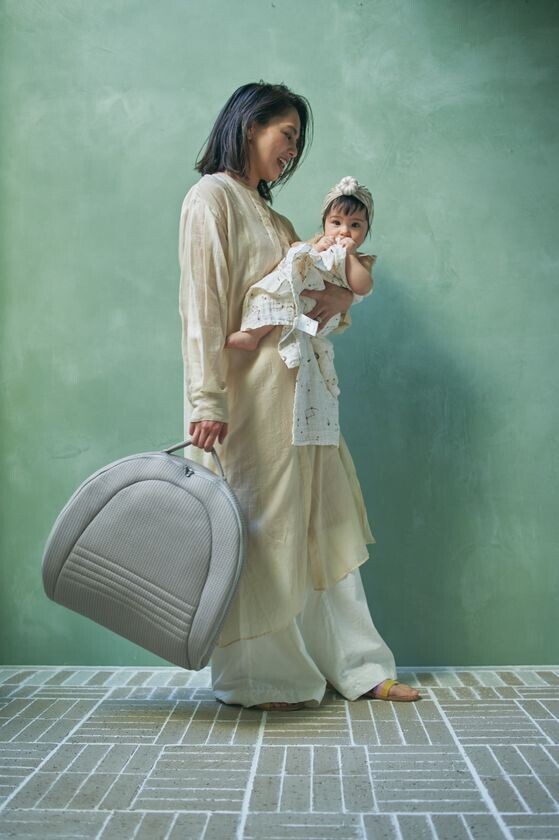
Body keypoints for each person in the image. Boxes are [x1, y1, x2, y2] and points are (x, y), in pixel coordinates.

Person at [178, 81, 421, 709]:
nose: (293, 151)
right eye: (287, 135)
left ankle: (357, 667)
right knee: (260, 533)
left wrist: (342, 298)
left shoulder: (279, 220)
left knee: (321, 523)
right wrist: (206, 401)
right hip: (249, 406)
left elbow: (315, 298)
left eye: (297, 141)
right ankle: (263, 678)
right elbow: (203, 308)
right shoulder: (211, 199)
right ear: (249, 125)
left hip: (306, 399)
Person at [226, 176, 377, 447]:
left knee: (296, 314)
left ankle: (262, 335)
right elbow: (295, 252)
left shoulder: (359, 260)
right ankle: (254, 333)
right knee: (278, 295)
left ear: (366, 231)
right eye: (336, 222)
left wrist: (350, 256)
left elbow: (362, 287)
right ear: (324, 223)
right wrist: (314, 248)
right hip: (300, 301)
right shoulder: (320, 242)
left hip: (318, 318)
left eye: (355, 225)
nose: (344, 232)